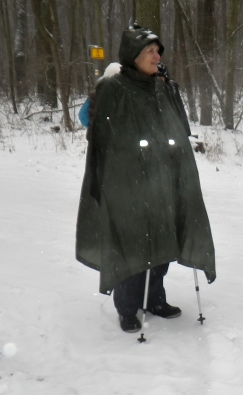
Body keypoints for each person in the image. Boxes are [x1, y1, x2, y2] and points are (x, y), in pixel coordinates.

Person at [75, 23, 216, 333]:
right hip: (127, 183)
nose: (157, 56)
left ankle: (154, 299)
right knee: (132, 245)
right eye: (150, 51)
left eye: (157, 51)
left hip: (162, 179)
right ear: (134, 55)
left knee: (162, 239)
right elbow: (101, 137)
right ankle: (127, 307)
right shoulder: (114, 88)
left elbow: (175, 127)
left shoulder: (162, 87)